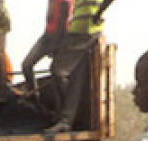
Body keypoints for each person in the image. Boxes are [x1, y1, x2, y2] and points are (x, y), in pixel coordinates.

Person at [45, 0, 115, 133]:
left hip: (85, 31)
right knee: (76, 77)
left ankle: (63, 115)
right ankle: (66, 119)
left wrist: (98, 13)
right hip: (78, 30)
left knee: (58, 71)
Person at [21, 0, 73, 103]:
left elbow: (63, 22)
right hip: (47, 36)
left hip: (60, 38)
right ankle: (34, 99)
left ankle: (62, 107)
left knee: (56, 73)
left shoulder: (65, 2)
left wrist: (56, 45)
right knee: (26, 65)